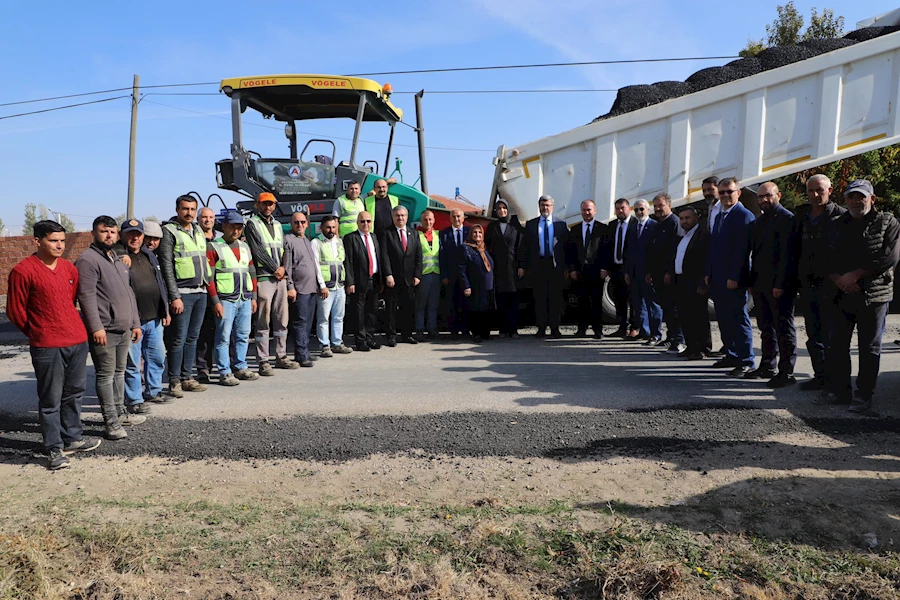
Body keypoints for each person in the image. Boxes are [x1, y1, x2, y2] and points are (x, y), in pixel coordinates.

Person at [6, 220, 101, 470]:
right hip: (47, 345)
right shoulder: (23, 271)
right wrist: (40, 331)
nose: (59, 245)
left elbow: (69, 302)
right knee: (51, 399)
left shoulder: (70, 269)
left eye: (62, 241)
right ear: (37, 241)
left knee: (75, 393)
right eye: (53, 241)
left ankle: (72, 438)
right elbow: (16, 311)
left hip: (77, 341)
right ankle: (54, 447)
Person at [820, 180, 900, 415]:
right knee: (837, 345)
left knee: (869, 347)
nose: (856, 201)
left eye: (861, 197)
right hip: (841, 293)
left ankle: (864, 396)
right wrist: (839, 280)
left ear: (872, 199)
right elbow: (823, 257)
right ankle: (841, 392)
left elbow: (889, 257)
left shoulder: (888, 222)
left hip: (874, 295)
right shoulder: (835, 224)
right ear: (845, 200)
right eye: (851, 197)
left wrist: (855, 276)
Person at [76, 215, 144, 440]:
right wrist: (96, 327)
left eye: (112, 232)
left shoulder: (116, 258)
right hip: (105, 329)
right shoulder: (88, 260)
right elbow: (85, 297)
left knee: (119, 373)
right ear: (94, 234)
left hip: (124, 328)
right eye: (104, 231)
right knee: (105, 376)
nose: (109, 235)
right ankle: (110, 422)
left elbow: (129, 294)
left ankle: (120, 413)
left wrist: (135, 323)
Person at [795, 174, 846, 391]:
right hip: (807, 285)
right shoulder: (801, 217)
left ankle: (834, 380)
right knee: (813, 334)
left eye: (820, 190)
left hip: (832, 286)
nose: (815, 195)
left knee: (832, 336)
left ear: (830, 191)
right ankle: (820, 376)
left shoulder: (841, 217)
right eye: (810, 191)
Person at [159, 194, 212, 396]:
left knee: (193, 338)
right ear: (177, 210)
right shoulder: (169, 231)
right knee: (178, 339)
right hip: (183, 294)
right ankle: (174, 381)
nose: (189, 213)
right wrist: (174, 297)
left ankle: (187, 377)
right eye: (185, 209)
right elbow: (167, 267)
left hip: (200, 291)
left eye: (192, 209)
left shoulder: (198, 230)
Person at [748, 182, 799, 387]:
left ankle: (787, 372)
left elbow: (788, 256)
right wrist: (752, 282)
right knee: (766, 327)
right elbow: (756, 255)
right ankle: (768, 365)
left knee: (783, 329)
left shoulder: (787, 219)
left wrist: (781, 284)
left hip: (779, 285)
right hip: (761, 284)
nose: (764, 200)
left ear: (778, 195)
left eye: (768, 196)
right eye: (760, 197)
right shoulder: (760, 222)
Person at [706, 177, 756, 377]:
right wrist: (708, 273)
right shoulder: (720, 216)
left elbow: (742, 251)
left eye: (730, 191)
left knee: (738, 319)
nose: (726, 195)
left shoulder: (744, 216)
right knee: (724, 318)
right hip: (718, 277)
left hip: (733, 278)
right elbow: (714, 248)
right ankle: (731, 354)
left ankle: (746, 360)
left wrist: (735, 276)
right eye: (723, 192)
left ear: (739, 193)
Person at [244, 192, 298, 375]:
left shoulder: (277, 224)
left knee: (282, 320)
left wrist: (283, 268)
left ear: (275, 206)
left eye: (271, 204)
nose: (268, 207)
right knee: (263, 321)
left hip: (280, 278)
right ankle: (263, 361)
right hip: (265, 278)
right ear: (257, 205)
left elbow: (285, 250)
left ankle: (281, 356)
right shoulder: (252, 224)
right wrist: (276, 268)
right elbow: (258, 250)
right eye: (264, 204)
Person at [121, 219, 171, 411]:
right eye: (130, 234)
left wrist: (164, 309)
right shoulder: (118, 256)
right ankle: (134, 400)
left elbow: (160, 283)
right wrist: (119, 255)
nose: (135, 237)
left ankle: (154, 391)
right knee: (133, 364)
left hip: (154, 318)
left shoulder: (149, 255)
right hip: (134, 320)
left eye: (138, 234)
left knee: (157, 357)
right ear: (122, 235)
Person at [206, 210, 260, 386]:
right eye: (232, 227)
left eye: (239, 227)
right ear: (224, 227)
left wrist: (253, 297)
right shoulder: (214, 247)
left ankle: (240, 366)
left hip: (244, 298)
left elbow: (251, 272)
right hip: (225, 299)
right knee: (223, 336)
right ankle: (224, 371)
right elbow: (210, 278)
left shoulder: (245, 247)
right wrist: (215, 301)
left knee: (243, 335)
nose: (236, 231)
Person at [518, 195, 568, 338]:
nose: (545, 208)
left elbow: (566, 247)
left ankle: (555, 328)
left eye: (547, 205)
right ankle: (541, 328)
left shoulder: (561, 224)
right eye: (542, 205)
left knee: (555, 299)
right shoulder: (531, 224)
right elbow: (525, 248)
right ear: (539, 206)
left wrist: (567, 267)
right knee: (539, 298)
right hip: (538, 265)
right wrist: (523, 265)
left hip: (555, 266)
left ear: (552, 206)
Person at [667, 207, 711, 360]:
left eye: (688, 218)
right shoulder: (683, 236)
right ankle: (691, 346)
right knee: (685, 316)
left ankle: (702, 348)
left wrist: (703, 283)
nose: (684, 221)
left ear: (696, 218)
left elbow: (705, 260)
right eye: (682, 218)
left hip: (695, 282)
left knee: (698, 316)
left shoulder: (702, 235)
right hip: (681, 281)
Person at [647, 193, 684, 352]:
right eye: (655, 206)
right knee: (666, 308)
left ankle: (679, 339)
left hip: (669, 274)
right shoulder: (658, 224)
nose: (657, 209)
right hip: (657, 274)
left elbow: (675, 250)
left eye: (660, 205)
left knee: (674, 308)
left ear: (669, 205)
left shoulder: (674, 222)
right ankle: (670, 337)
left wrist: (669, 271)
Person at [311, 215, 352, 357]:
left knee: (339, 317)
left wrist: (345, 283)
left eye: (333, 227)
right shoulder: (316, 242)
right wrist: (322, 285)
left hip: (339, 286)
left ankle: (337, 343)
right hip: (326, 288)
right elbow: (316, 266)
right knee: (323, 318)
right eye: (328, 227)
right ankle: (325, 345)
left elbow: (342, 263)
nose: (331, 230)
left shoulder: (339, 242)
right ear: (321, 227)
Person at [381, 205, 422, 346]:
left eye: (403, 215)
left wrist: (417, 275)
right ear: (393, 217)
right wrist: (388, 274)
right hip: (393, 278)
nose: (400, 218)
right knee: (391, 309)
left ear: (407, 216)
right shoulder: (387, 233)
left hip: (410, 279)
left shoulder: (414, 233)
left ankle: (407, 335)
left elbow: (418, 255)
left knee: (408, 308)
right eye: (397, 215)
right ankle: (391, 336)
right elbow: (384, 256)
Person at [344, 211, 384, 351]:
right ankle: (360, 341)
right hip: (358, 281)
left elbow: (378, 258)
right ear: (357, 223)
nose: (365, 224)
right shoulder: (351, 238)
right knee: (359, 312)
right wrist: (350, 282)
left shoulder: (373, 237)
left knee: (372, 311)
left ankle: (370, 338)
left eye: (368, 221)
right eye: (362, 221)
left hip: (374, 279)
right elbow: (348, 261)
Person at [624, 199, 663, 344]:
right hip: (634, 272)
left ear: (648, 210)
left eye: (642, 209)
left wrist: (652, 272)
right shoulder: (633, 227)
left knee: (652, 304)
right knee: (639, 304)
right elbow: (629, 251)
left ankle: (656, 334)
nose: (639, 212)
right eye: (636, 210)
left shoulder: (654, 226)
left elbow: (656, 252)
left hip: (648, 273)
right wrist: (627, 271)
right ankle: (645, 331)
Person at [283, 211, 319, 367]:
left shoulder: (306, 239)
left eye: (303, 222)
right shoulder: (288, 240)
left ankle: (305, 351)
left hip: (311, 289)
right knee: (300, 322)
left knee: (308, 323)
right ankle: (301, 354)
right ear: (291, 224)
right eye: (296, 222)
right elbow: (287, 267)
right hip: (299, 289)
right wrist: (290, 287)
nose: (300, 225)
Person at [567, 200, 606, 339]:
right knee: (582, 301)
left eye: (589, 210)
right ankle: (581, 329)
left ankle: (597, 329)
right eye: (584, 210)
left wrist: (604, 268)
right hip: (580, 272)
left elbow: (605, 250)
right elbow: (570, 252)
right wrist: (572, 269)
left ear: (595, 211)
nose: (586, 212)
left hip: (596, 271)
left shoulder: (602, 228)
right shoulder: (575, 229)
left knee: (596, 301)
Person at [601, 198, 638, 338]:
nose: (620, 211)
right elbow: (606, 248)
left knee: (633, 300)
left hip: (631, 268)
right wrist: (606, 267)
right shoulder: (612, 225)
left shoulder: (635, 224)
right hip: (616, 268)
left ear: (629, 208)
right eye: (617, 208)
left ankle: (635, 327)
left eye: (622, 208)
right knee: (619, 299)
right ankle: (623, 327)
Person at [486, 199, 523, 338]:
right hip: (497, 268)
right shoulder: (492, 226)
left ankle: (513, 330)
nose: (502, 211)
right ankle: (502, 329)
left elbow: (521, 247)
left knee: (513, 300)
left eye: (504, 208)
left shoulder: (515, 226)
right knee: (500, 300)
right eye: (499, 208)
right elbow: (488, 247)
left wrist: (521, 266)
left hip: (513, 268)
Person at [459, 225, 495, 343]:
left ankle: (485, 333)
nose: (477, 235)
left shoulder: (484, 248)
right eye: (475, 232)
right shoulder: (465, 248)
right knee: (476, 310)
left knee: (486, 310)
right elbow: (462, 269)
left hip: (488, 286)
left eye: (480, 233)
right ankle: (476, 333)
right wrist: (466, 285)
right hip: (475, 286)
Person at [195, 206, 218, 384]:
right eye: (204, 217)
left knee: (225, 332)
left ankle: (225, 365)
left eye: (210, 217)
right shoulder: (194, 238)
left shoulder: (220, 239)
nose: (207, 220)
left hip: (223, 290)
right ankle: (203, 368)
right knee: (204, 332)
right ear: (198, 219)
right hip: (203, 291)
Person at [440, 208, 470, 339]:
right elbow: (441, 256)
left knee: (466, 303)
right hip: (450, 275)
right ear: (450, 218)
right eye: (454, 217)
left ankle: (466, 329)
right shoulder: (444, 234)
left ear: (463, 218)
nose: (456, 219)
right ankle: (453, 330)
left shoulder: (470, 232)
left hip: (467, 275)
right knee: (451, 303)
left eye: (459, 216)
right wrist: (444, 275)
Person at [415, 210, 441, 340]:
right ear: (421, 221)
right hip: (423, 275)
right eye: (425, 219)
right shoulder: (416, 235)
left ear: (434, 220)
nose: (428, 222)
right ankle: (419, 329)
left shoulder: (437, 234)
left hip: (436, 274)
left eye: (430, 219)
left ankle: (432, 329)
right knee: (421, 304)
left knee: (433, 304)